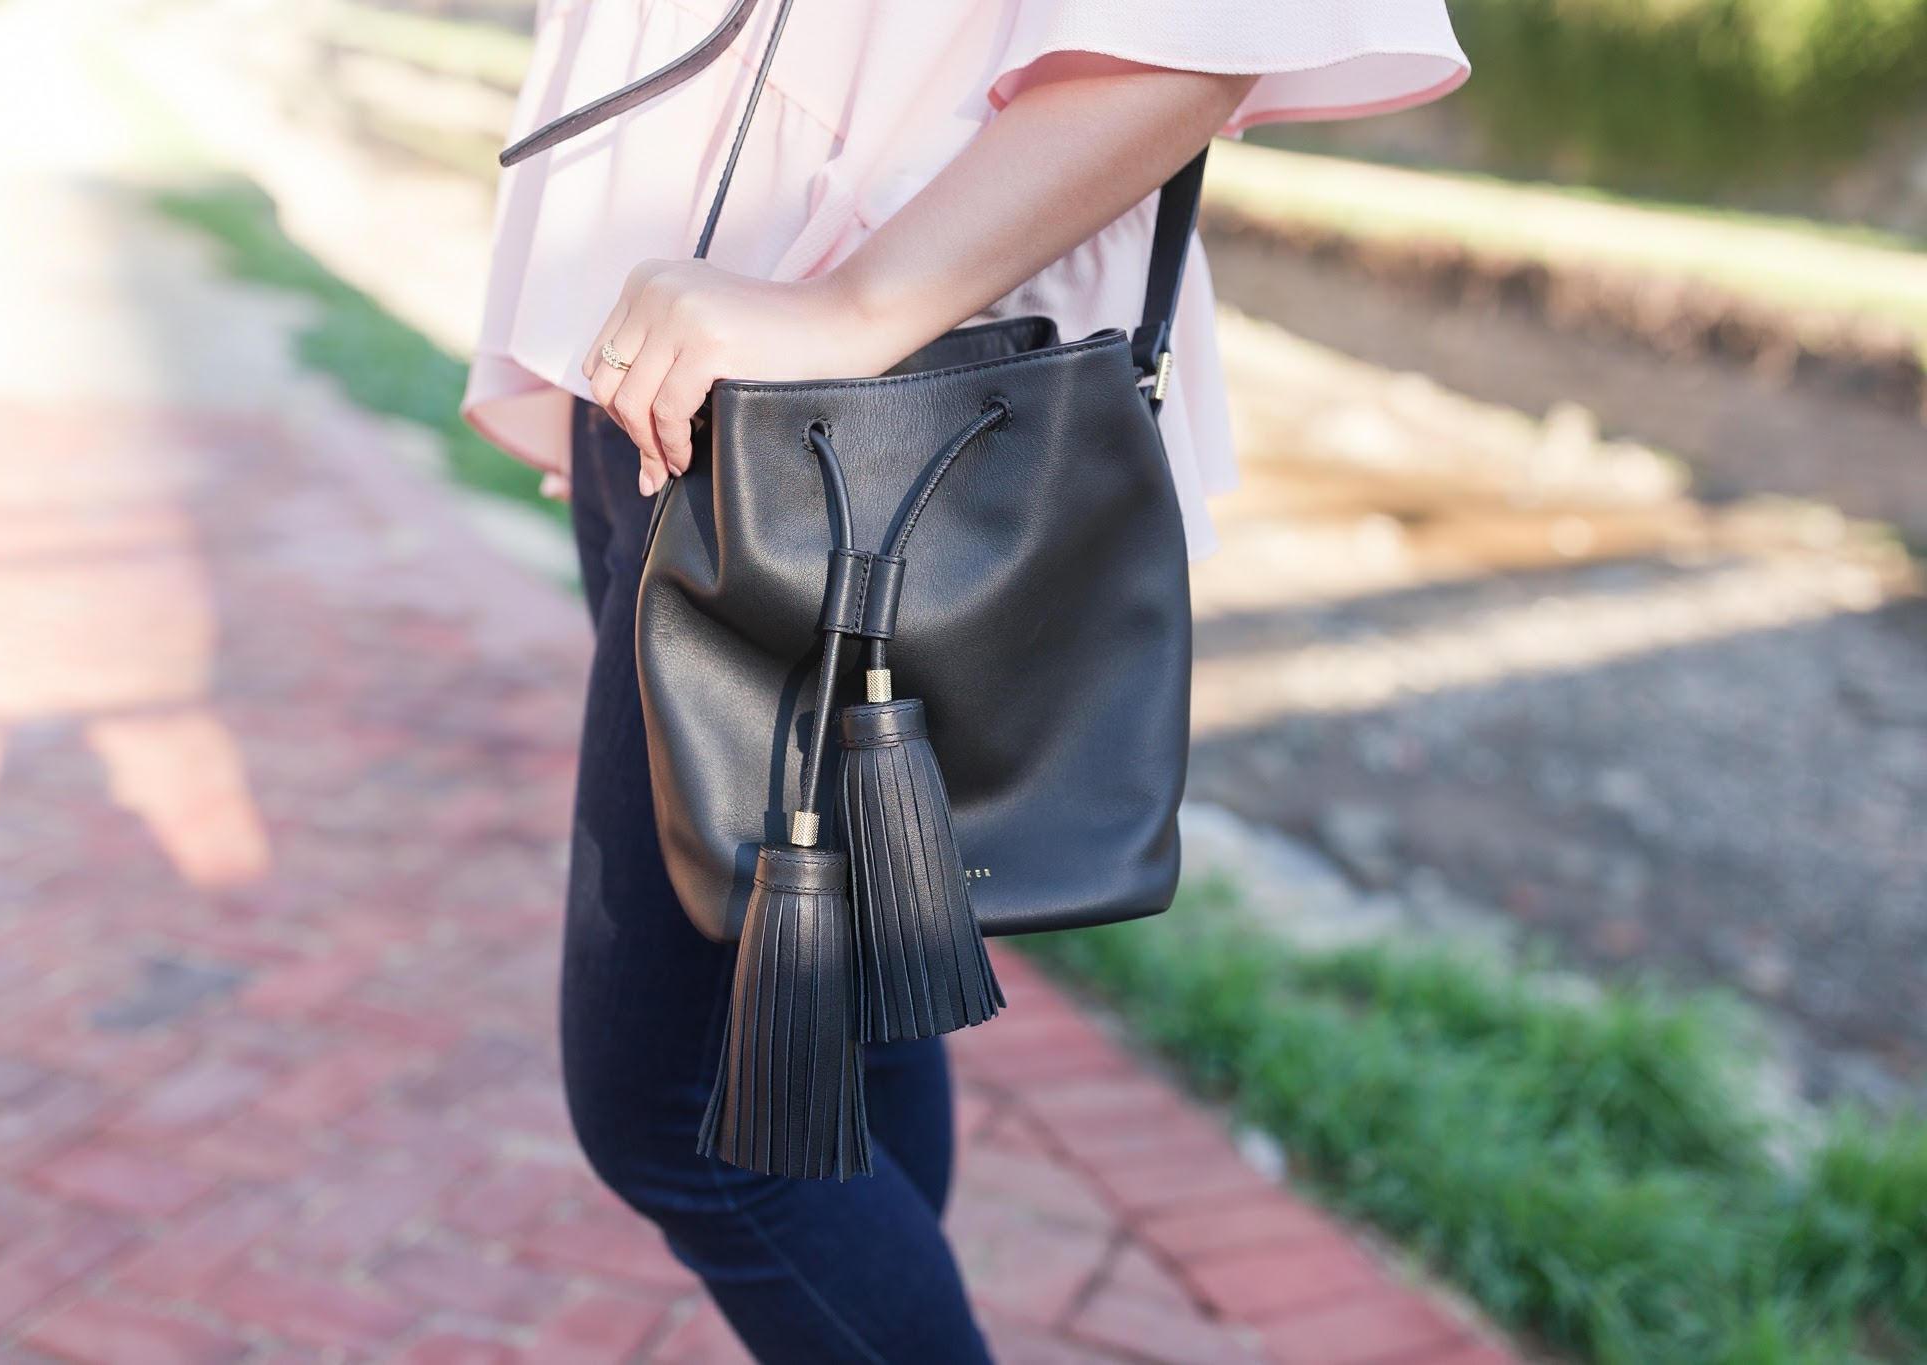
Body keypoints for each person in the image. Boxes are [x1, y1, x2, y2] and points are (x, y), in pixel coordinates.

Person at [464, 3, 1467, 1360]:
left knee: (684, 1108)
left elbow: (1212, 26)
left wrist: (847, 307)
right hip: (672, 371)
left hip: (837, 386)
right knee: (844, 997)